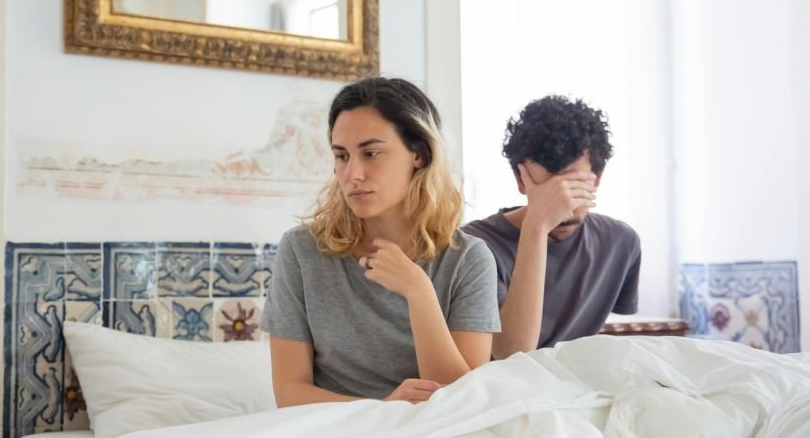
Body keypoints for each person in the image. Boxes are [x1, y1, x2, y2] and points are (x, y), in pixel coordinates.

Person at [260, 77, 500, 407]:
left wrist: (418, 290)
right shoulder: (301, 251)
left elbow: (462, 401)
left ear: (419, 154)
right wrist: (384, 409)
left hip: (436, 428)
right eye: (342, 156)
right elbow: (289, 394)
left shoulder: (468, 259)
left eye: (371, 153)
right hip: (338, 428)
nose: (352, 174)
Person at [463, 95, 640, 359]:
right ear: (521, 181)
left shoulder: (620, 242)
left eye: (573, 187)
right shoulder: (472, 245)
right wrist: (536, 227)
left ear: (597, 179)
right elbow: (511, 353)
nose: (564, 210)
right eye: (549, 191)